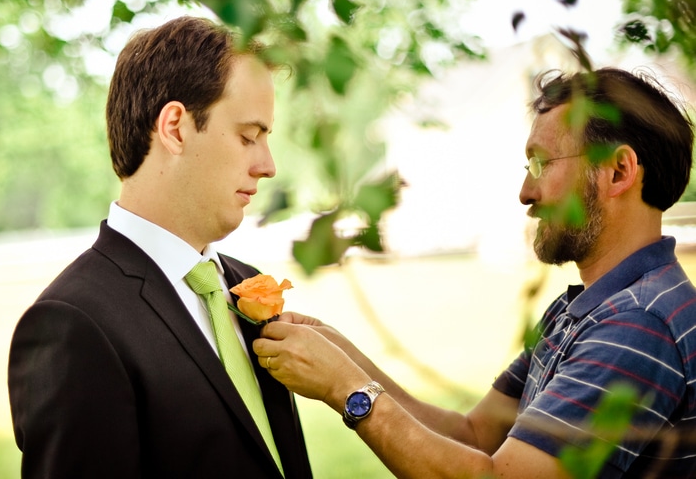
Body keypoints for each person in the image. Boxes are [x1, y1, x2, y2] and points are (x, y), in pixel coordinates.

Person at [254, 67, 696, 478]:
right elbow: (474, 436)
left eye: (542, 163)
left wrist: (344, 386)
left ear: (618, 171)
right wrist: (343, 356)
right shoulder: (580, 310)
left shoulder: (638, 327)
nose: (526, 192)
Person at [8, 16, 312, 477]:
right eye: (249, 137)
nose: (268, 166)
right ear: (174, 128)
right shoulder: (73, 324)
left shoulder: (245, 283)